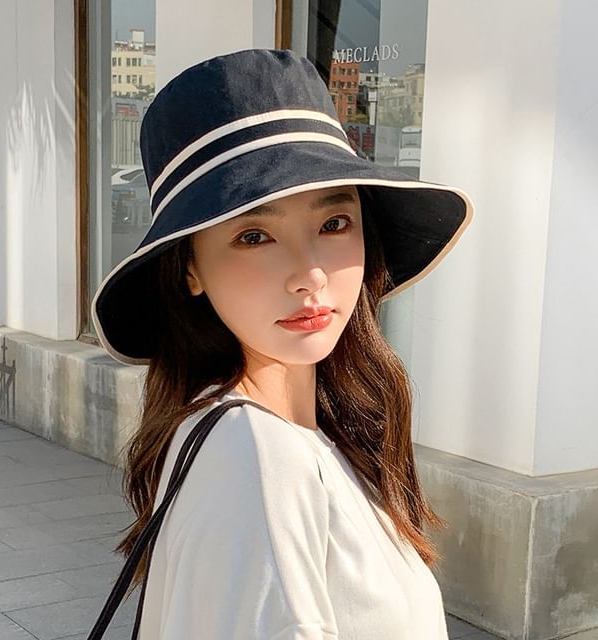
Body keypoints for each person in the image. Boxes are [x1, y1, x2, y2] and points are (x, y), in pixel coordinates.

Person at [91, 48, 474, 639]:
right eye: (254, 236)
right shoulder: (258, 457)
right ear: (190, 268)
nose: (309, 274)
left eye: (333, 224)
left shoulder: (304, 436)